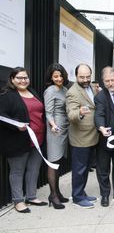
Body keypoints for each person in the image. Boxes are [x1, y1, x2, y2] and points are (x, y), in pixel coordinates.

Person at [0, 67, 47, 213]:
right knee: (17, 171)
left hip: (38, 139)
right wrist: (16, 126)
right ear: (12, 79)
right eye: (19, 78)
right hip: (18, 140)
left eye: (25, 77)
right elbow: (2, 116)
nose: (23, 80)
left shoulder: (32, 92)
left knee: (33, 169)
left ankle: (31, 196)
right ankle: (18, 201)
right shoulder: (7, 95)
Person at [66, 63, 98, 208]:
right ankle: (77, 197)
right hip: (80, 138)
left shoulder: (91, 87)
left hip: (92, 135)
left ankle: (81, 193)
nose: (85, 79)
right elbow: (71, 114)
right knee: (79, 169)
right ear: (76, 76)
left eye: (88, 76)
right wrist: (79, 113)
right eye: (82, 77)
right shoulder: (73, 92)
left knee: (85, 168)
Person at [94, 67, 114, 207]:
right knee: (103, 168)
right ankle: (105, 195)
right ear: (103, 81)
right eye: (107, 81)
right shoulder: (100, 97)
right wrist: (101, 127)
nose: (110, 83)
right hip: (106, 136)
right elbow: (99, 114)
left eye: (112, 80)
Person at [43, 63, 70, 209]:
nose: (58, 78)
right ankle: (53, 195)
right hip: (56, 128)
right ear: (51, 78)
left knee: (58, 161)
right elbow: (48, 112)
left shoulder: (65, 89)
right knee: (53, 162)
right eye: (55, 76)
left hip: (65, 127)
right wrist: (53, 125)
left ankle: (57, 193)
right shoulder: (50, 90)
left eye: (60, 75)